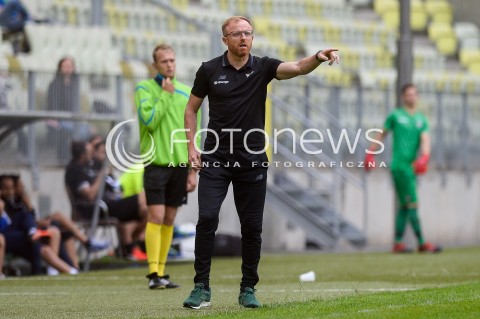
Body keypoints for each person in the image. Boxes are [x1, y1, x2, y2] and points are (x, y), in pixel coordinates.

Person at [182, 16, 340, 309]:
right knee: (206, 219)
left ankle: (248, 289)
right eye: (237, 34)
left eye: (248, 33)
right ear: (225, 39)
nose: (243, 38)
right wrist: (191, 147)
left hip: (252, 160)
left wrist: (318, 57)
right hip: (215, 158)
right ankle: (201, 287)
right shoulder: (209, 70)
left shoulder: (264, 67)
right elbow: (191, 109)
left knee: (252, 227)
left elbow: (297, 67)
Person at [135, 44, 200, 290]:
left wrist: (193, 170)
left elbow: (194, 132)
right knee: (156, 215)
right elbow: (149, 121)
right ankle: (153, 272)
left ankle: (161, 273)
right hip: (156, 163)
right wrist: (165, 94)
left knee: (170, 217)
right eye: (164, 61)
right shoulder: (144, 89)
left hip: (180, 165)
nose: (169, 65)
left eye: (172, 60)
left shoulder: (186, 92)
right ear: (155, 66)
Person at [364, 83, 441, 254]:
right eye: (408, 94)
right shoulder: (396, 116)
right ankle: (421, 242)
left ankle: (398, 243)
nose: (411, 97)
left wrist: (425, 157)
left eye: (414, 94)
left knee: (405, 206)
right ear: (403, 97)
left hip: (411, 168)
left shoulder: (421, 119)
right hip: (399, 167)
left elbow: (425, 139)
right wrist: (370, 154)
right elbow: (381, 134)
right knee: (412, 204)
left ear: (417, 96)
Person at [65, 141, 148, 259]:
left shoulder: (90, 168)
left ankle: (129, 247)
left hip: (109, 204)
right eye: (89, 153)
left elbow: (115, 188)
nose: (91, 155)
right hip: (97, 208)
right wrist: (101, 175)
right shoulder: (75, 171)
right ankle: (131, 246)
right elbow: (89, 195)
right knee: (146, 199)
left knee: (148, 206)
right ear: (82, 155)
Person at [47, 57, 91, 165]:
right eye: (65, 66)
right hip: (60, 118)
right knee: (68, 131)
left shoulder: (75, 84)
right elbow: (51, 104)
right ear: (60, 68)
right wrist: (53, 118)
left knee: (87, 131)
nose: (67, 69)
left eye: (70, 66)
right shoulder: (54, 84)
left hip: (73, 118)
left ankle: (81, 160)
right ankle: (64, 160)